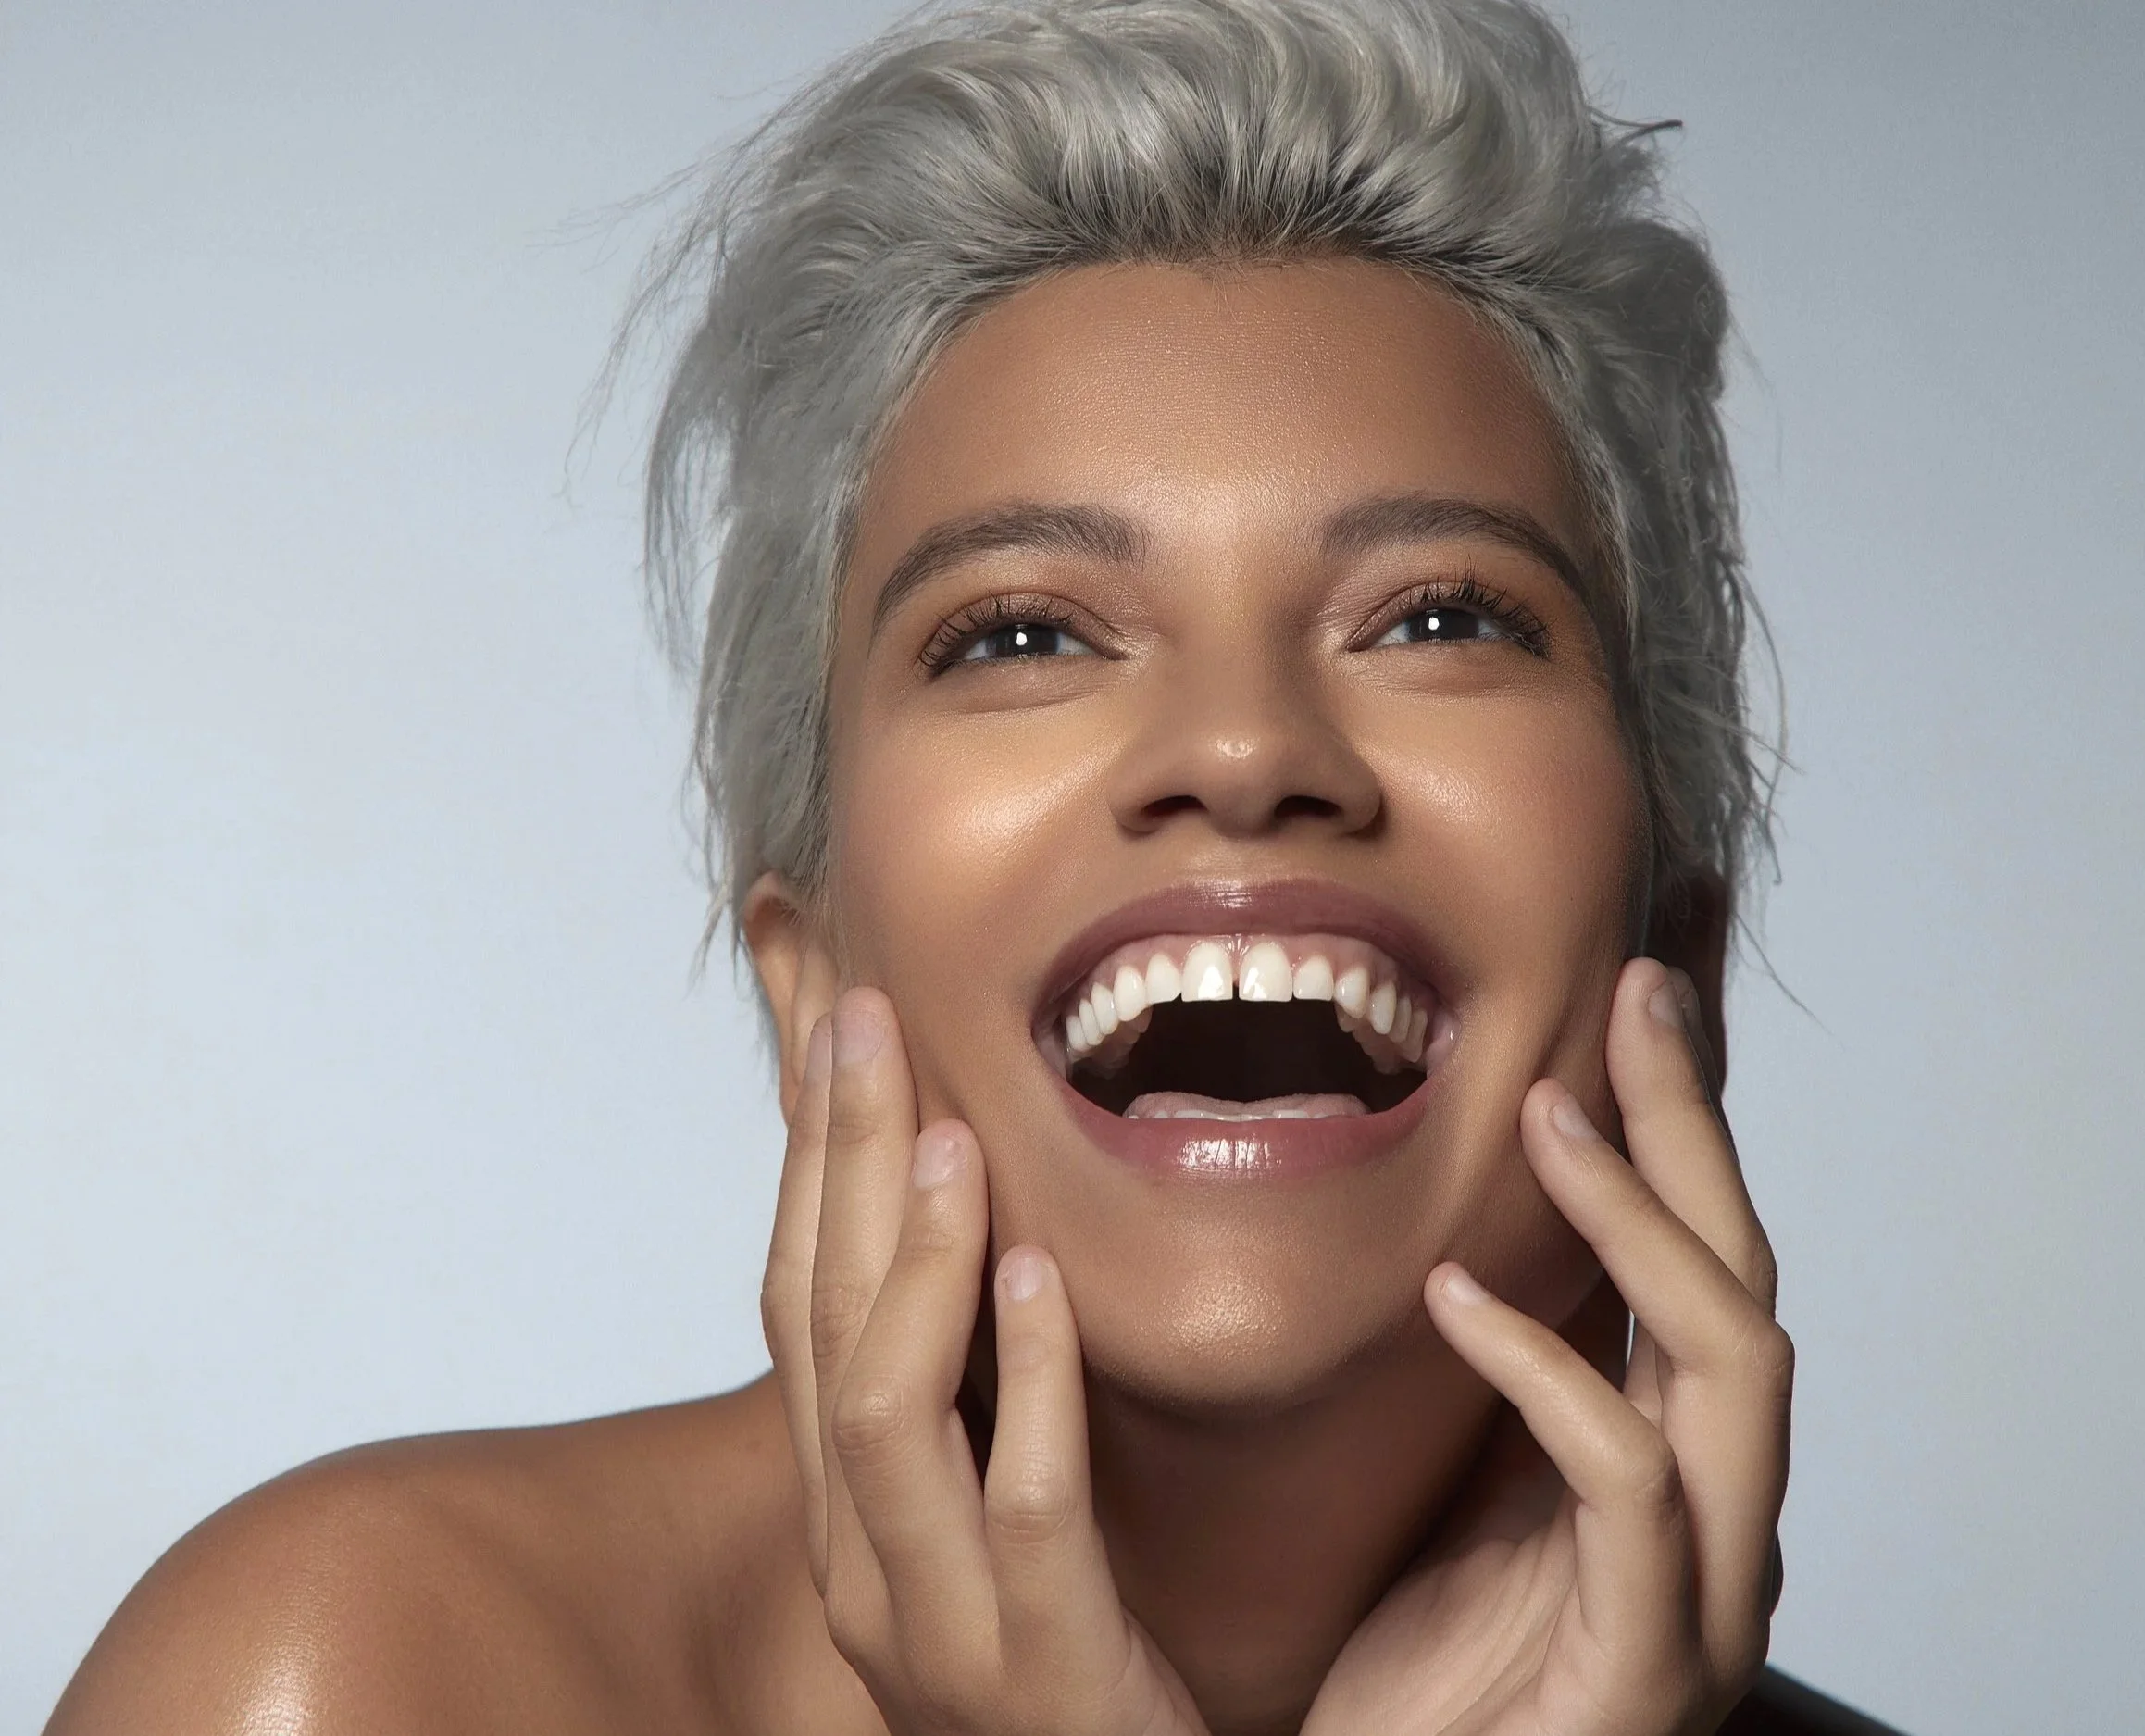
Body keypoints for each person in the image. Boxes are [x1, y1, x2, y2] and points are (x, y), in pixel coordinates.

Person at [48, 2, 1903, 1730]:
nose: (1242, 749)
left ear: (1679, 954)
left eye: (1434, 613)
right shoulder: (365, 1676)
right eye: (1019, 633)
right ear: (805, 983)